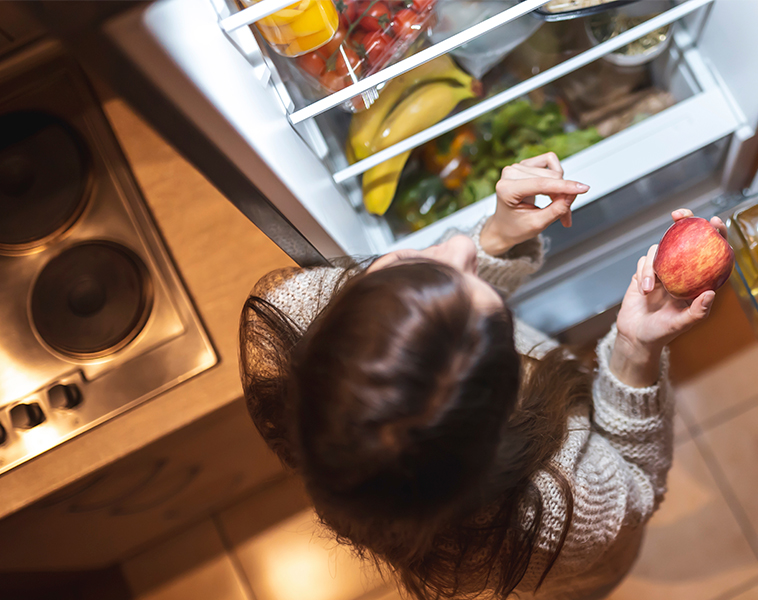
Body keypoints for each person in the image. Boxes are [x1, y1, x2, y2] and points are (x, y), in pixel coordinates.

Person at [239, 152, 723, 600]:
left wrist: (496, 236)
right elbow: (635, 486)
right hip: (580, 569)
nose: (456, 243)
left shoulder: (296, 312)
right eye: (497, 319)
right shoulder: (556, 506)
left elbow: (435, 325)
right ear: (505, 394)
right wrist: (637, 346)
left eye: (409, 265)